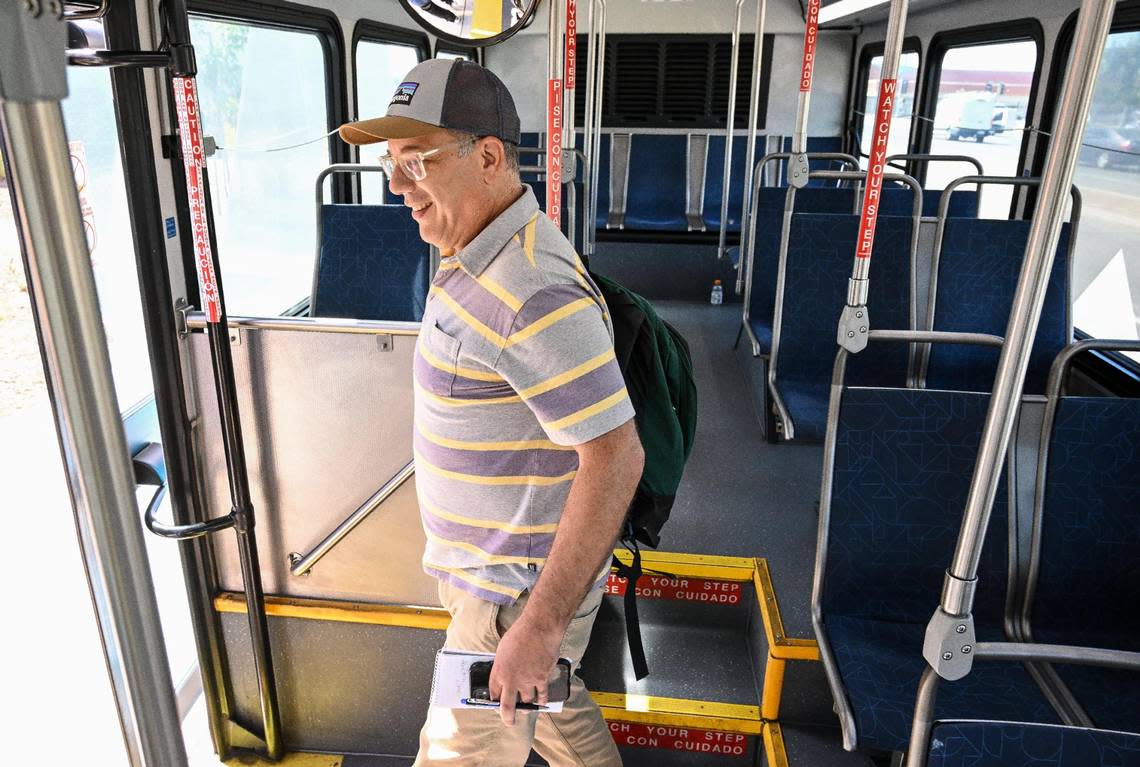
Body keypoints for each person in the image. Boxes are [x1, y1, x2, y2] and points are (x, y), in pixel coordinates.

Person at [339, 59, 643, 766]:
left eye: (416, 162)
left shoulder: (530, 288)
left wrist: (536, 626)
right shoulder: (474, 247)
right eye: (390, 164)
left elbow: (617, 457)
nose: (395, 185)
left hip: (512, 595)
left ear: (488, 157)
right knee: (555, 711)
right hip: (497, 581)